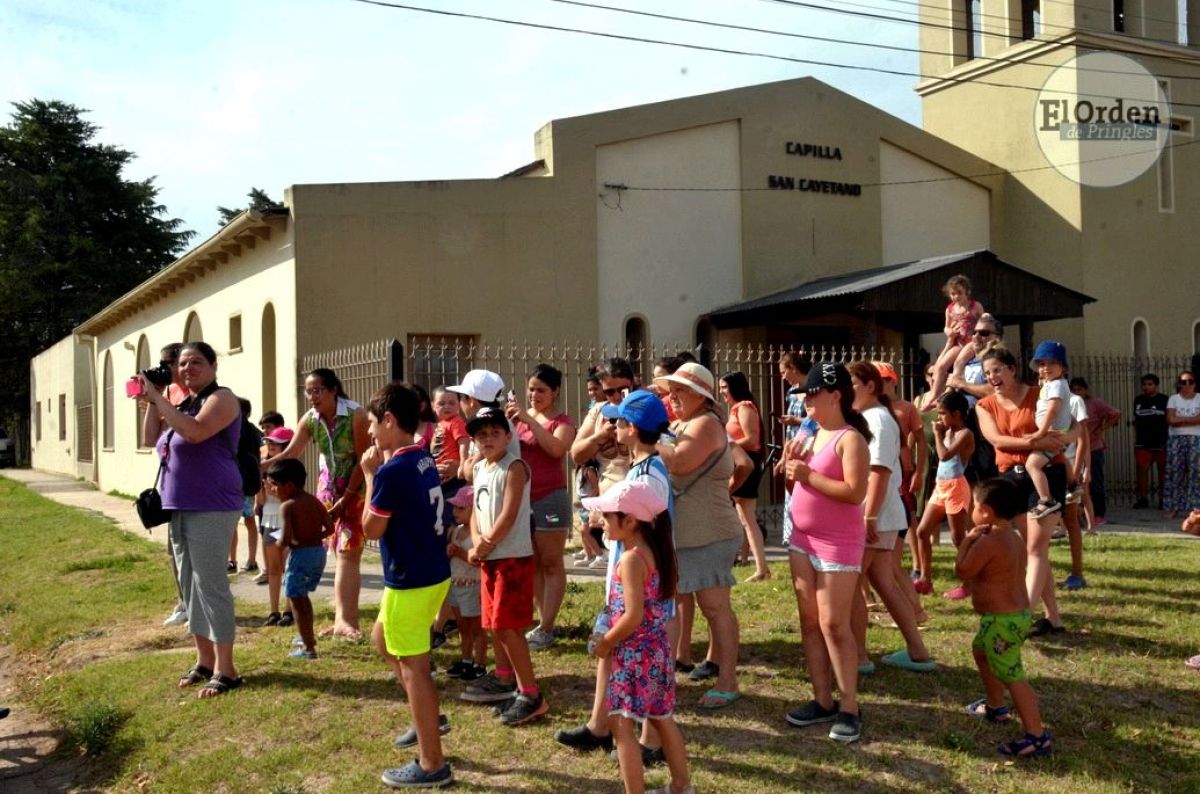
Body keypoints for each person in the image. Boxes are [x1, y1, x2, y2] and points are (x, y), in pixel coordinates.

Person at [556, 389, 675, 765]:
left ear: (635, 428)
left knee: (642, 666)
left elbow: (651, 530)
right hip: (626, 579)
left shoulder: (650, 474)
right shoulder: (641, 467)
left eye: (620, 421)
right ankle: (599, 725)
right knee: (611, 653)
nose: (614, 426)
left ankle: (649, 741)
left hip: (639, 582)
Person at [360, 382, 453, 789]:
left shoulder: (390, 470)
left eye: (372, 425)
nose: (369, 434)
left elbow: (371, 529)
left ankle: (432, 763)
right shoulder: (421, 458)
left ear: (389, 421)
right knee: (382, 639)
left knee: (415, 668)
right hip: (432, 572)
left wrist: (369, 476)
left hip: (410, 579)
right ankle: (428, 717)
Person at [137, 341, 243, 698]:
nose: (187, 369)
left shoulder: (222, 399)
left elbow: (195, 432)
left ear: (213, 365)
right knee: (189, 586)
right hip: (179, 506)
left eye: (196, 362)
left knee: (211, 585)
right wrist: (154, 401)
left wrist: (161, 400)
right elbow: (149, 438)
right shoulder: (181, 402)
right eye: (182, 364)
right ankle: (205, 659)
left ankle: (227, 669)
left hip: (213, 505)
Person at [582, 481, 693, 794]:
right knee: (662, 717)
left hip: (633, 654)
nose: (601, 521)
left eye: (607, 515)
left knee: (621, 726)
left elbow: (633, 616)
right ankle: (682, 786)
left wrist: (606, 642)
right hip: (656, 651)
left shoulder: (631, 560)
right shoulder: (654, 553)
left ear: (630, 521)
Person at [782, 362, 870, 743]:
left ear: (835, 396)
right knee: (810, 621)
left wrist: (807, 476)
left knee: (835, 623)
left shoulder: (851, 439)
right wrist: (790, 473)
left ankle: (849, 705)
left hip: (837, 542)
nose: (807, 403)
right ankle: (822, 698)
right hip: (802, 538)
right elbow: (798, 488)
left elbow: (854, 492)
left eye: (813, 395)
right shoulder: (810, 433)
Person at [654, 363, 743, 709]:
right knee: (689, 606)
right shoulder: (686, 423)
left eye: (681, 391)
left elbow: (678, 462)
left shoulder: (705, 424)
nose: (673, 396)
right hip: (690, 534)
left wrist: (650, 438)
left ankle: (728, 680)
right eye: (671, 390)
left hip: (710, 533)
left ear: (701, 396)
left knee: (715, 607)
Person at [265, 368, 370, 639]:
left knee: (348, 549)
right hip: (328, 487)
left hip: (355, 488)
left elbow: (363, 459)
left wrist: (346, 498)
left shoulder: (356, 415)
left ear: (333, 389)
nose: (312, 396)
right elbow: (291, 452)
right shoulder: (310, 419)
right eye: (308, 391)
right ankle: (339, 619)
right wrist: (261, 465)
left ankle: (346, 621)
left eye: (317, 390)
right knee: (327, 546)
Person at [974, 347, 1072, 637]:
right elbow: (996, 440)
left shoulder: (1040, 393)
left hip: (1045, 474)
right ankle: (1053, 618)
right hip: (1010, 479)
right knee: (1034, 552)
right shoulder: (984, 406)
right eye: (988, 372)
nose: (992, 376)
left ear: (1012, 369)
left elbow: (1072, 425)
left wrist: (1062, 441)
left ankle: (1022, 616)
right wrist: (1036, 443)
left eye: (997, 370)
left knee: (1035, 549)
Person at [460, 407, 548, 726]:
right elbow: (474, 511)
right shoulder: (481, 468)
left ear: (508, 437)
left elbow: (509, 513)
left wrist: (487, 542)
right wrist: (475, 541)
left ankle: (531, 694)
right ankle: (505, 678)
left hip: (511, 557)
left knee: (508, 627)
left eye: (495, 433)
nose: (488, 439)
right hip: (490, 557)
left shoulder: (514, 467)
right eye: (481, 435)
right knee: (495, 625)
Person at [846, 362, 936, 674]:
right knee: (883, 581)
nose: (846, 393)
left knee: (854, 582)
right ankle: (917, 650)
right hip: (881, 513)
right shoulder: (872, 418)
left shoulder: (878, 421)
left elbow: (880, 472)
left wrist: (868, 516)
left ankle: (858, 657)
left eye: (852, 385)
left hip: (878, 515)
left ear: (870, 387)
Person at [957, 478, 1052, 759]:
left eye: (974, 506)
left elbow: (963, 571)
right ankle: (996, 706)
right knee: (980, 650)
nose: (972, 511)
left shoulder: (988, 542)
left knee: (1013, 676)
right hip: (1012, 617)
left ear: (985, 511)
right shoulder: (1013, 537)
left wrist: (968, 540)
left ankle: (1037, 736)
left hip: (1002, 621)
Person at [507, 364, 578, 650]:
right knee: (533, 561)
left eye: (541, 390)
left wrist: (530, 420)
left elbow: (556, 449)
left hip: (550, 498)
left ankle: (548, 626)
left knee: (551, 561)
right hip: (524, 497)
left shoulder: (562, 422)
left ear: (555, 392)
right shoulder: (520, 420)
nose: (535, 395)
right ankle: (540, 621)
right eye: (531, 389)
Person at [571, 358, 635, 568]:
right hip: (609, 500)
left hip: (638, 499)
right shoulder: (599, 411)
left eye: (622, 390)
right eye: (609, 392)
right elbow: (576, 454)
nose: (616, 397)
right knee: (617, 569)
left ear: (632, 383)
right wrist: (598, 437)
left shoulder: (644, 406)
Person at [267, 458, 333, 660]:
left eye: (274, 486)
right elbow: (330, 528)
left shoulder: (287, 506)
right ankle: (307, 636)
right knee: (303, 598)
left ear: (289, 486)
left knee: (296, 600)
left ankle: (308, 647)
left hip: (301, 557)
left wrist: (276, 544)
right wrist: (313, 538)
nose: (272, 490)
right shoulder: (314, 500)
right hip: (318, 554)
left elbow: (286, 540)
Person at [914, 391, 974, 595]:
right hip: (941, 486)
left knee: (958, 538)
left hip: (956, 486)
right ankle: (925, 578)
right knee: (922, 531)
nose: (939, 418)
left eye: (942, 413)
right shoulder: (947, 431)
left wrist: (938, 435)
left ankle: (969, 582)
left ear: (957, 414)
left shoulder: (965, 434)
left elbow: (945, 456)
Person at [153, 342, 190, 628]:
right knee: (173, 550)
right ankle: (183, 602)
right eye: (162, 362)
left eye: (169, 362)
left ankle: (193, 605)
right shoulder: (167, 391)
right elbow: (149, 436)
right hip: (172, 480)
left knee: (193, 553)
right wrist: (153, 400)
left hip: (196, 484)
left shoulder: (196, 393)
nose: (164, 367)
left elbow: (188, 429)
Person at [720, 371, 770, 581]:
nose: (722, 391)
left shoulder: (744, 407)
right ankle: (756, 564)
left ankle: (760, 567)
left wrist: (724, 445)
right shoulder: (735, 409)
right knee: (745, 517)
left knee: (743, 516)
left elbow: (751, 439)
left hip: (745, 463)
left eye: (724, 387)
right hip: (739, 462)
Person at [1024, 342, 1073, 520]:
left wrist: (1040, 432)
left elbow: (1052, 410)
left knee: (1032, 464)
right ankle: (1073, 484)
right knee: (1053, 459)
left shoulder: (1058, 385)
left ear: (1063, 367)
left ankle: (1046, 499)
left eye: (1052, 363)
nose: (1046, 368)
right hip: (1054, 432)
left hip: (1052, 433)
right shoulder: (1052, 384)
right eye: (1042, 364)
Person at [443, 485, 487, 682]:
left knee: (476, 628)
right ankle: (466, 659)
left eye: (461, 508)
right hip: (456, 584)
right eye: (455, 508)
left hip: (472, 584)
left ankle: (480, 662)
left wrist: (458, 552)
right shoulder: (456, 531)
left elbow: (476, 559)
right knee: (462, 627)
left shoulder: (478, 535)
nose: (455, 512)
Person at [924, 274, 986, 410]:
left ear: (967, 292)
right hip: (958, 342)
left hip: (971, 341)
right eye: (953, 294)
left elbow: (984, 322)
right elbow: (946, 327)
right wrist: (948, 332)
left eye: (959, 293)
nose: (956, 297)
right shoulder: (950, 309)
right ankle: (934, 395)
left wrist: (980, 334)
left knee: (959, 362)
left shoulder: (975, 306)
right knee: (940, 366)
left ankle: (949, 390)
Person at [775, 352, 814, 565]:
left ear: (793, 368)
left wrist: (796, 420)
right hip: (794, 447)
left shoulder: (813, 389)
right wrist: (783, 457)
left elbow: (816, 419)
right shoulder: (791, 392)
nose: (783, 377)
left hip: (808, 450)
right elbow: (789, 434)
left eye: (784, 372)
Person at [1068, 377, 1120, 526]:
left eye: (1079, 389)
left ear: (1085, 390)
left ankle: (1099, 514)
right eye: (1074, 389)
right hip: (1073, 448)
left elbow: (1115, 413)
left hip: (1093, 447)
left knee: (1094, 482)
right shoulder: (1069, 403)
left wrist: (1101, 429)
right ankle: (1078, 517)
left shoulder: (1094, 403)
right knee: (1076, 486)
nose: (1076, 392)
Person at [260, 427, 295, 626]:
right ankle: (273, 611)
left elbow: (290, 497)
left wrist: (275, 491)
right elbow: (263, 499)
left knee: (288, 567)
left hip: (287, 521)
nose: (270, 445)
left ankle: (289, 610)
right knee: (273, 569)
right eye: (269, 442)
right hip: (268, 521)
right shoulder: (265, 469)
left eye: (276, 442)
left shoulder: (293, 470)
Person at [229, 398, 262, 575]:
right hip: (246, 482)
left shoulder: (238, 428)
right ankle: (248, 560)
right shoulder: (253, 431)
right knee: (246, 523)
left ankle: (237, 560)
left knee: (237, 522)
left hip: (239, 482)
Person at [1164, 370, 1200, 518]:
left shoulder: (1199, 398)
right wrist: (1191, 419)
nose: (1187, 385)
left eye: (1190, 381)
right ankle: (1173, 506)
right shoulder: (1173, 399)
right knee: (1175, 472)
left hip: (1196, 438)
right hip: (1176, 439)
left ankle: (1195, 508)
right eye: (1184, 382)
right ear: (1179, 384)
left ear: (1195, 384)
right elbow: (1170, 420)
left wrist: (1181, 420)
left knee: (1196, 472)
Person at [1132, 373, 1170, 509]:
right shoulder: (1138, 400)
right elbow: (1136, 420)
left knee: (1163, 470)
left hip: (1161, 441)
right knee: (1142, 469)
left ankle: (1163, 499)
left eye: (1149, 384)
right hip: (1143, 442)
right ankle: (1143, 498)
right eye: (1144, 384)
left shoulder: (1165, 400)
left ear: (1156, 386)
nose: (1146, 387)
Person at [430, 386, 470, 489]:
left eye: (451, 403)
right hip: (441, 473)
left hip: (452, 474)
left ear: (458, 405)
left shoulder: (456, 422)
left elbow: (463, 442)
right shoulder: (441, 424)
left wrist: (462, 464)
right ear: (433, 406)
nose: (447, 406)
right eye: (441, 403)